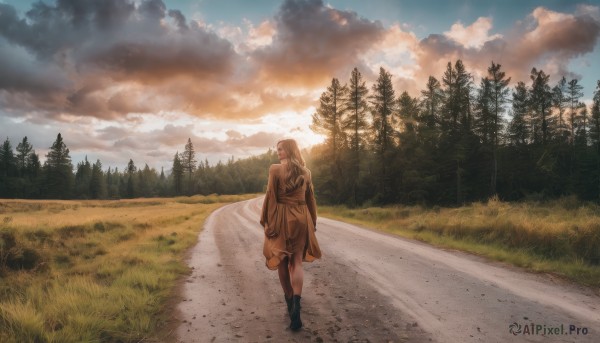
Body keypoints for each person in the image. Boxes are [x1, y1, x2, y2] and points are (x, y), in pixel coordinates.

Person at [260, 138, 322, 331]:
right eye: (277, 149)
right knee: (296, 262)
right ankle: (297, 301)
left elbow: (271, 196)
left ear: (289, 150)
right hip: (301, 218)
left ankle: (289, 301)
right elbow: (310, 198)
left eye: (281, 149)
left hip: (281, 217)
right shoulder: (306, 172)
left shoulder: (275, 169)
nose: (278, 152)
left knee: (281, 260)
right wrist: (313, 220)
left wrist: (267, 221)